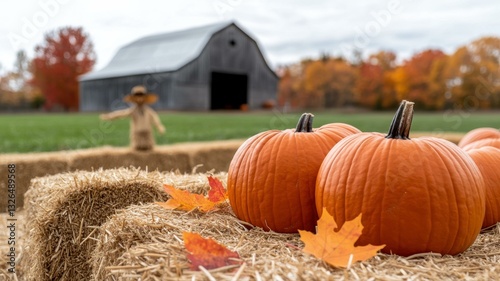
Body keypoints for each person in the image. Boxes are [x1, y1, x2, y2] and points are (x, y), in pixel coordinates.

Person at [100, 85, 166, 151]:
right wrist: (109, 116)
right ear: (134, 98)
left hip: (147, 135)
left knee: (149, 149)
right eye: (137, 96)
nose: (139, 99)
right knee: (136, 150)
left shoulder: (149, 111)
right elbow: (121, 113)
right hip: (137, 136)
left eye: (141, 96)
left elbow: (155, 118)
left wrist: (159, 126)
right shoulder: (133, 111)